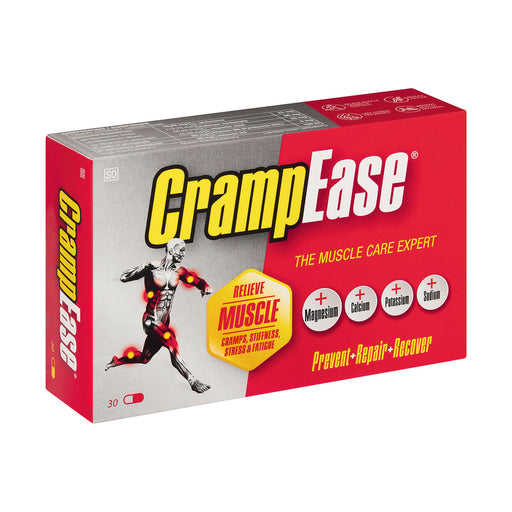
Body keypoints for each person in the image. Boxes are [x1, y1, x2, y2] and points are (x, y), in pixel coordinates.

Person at [105, 238, 212, 393]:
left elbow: (195, 280)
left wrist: (204, 286)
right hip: (151, 320)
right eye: (181, 250)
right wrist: (144, 267)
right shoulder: (152, 269)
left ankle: (116, 361)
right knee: (171, 342)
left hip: (164, 322)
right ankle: (192, 380)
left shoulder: (179, 272)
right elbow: (124, 277)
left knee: (145, 357)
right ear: (171, 250)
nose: (184, 254)